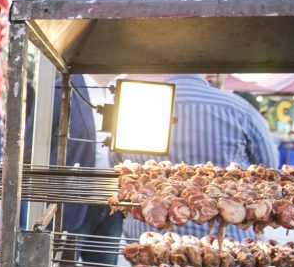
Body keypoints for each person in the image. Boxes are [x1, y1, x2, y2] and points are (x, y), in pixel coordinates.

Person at [114, 73, 280, 241]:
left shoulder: (136, 106)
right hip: (229, 243)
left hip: (147, 237)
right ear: (210, 73)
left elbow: (116, 165)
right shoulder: (239, 108)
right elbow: (269, 171)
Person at [24, 75, 124, 264]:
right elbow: (32, 144)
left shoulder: (126, 89)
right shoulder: (63, 88)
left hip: (111, 207)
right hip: (70, 205)